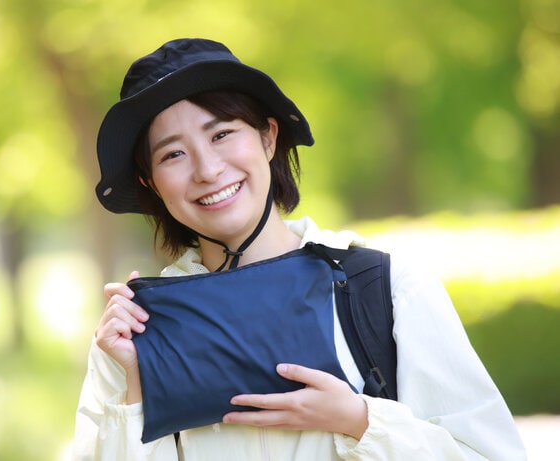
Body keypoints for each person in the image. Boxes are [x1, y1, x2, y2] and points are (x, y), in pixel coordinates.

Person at [73, 38, 526, 460]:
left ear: (268, 137)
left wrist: (358, 421)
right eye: (173, 154)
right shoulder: (135, 332)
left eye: (222, 134)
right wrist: (137, 383)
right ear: (150, 183)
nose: (208, 170)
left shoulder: (385, 290)